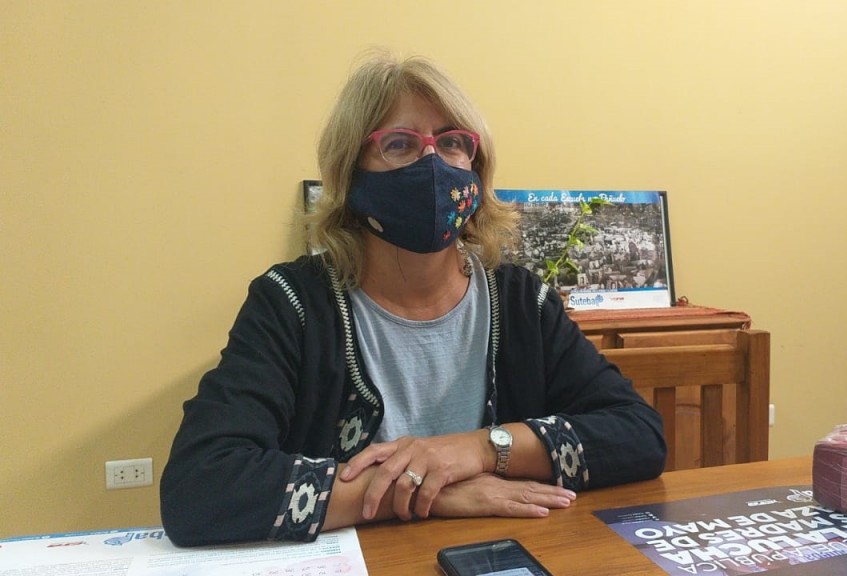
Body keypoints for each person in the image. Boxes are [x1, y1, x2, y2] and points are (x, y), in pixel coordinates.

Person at [160, 51, 666, 547]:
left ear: (476, 165)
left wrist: (481, 450)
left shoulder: (521, 301)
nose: (432, 163)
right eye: (399, 143)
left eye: (452, 142)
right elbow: (199, 487)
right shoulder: (292, 303)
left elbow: (638, 434)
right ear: (350, 172)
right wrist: (424, 490)